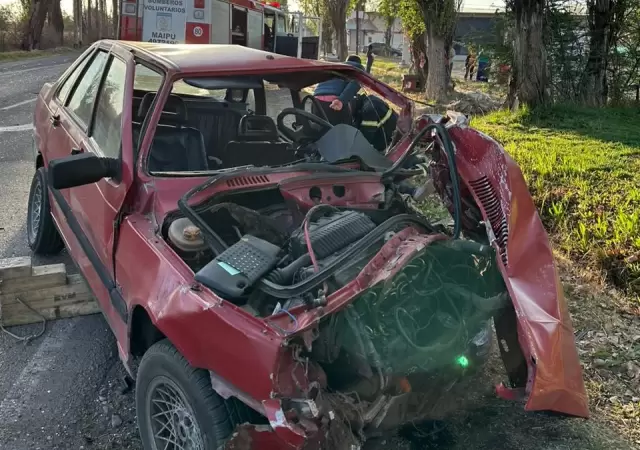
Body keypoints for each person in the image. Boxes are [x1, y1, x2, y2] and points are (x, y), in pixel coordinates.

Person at [312, 55, 365, 125]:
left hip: (316, 101)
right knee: (344, 131)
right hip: (335, 102)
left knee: (320, 131)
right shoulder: (357, 68)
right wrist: (341, 100)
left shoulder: (336, 67)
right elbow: (355, 83)